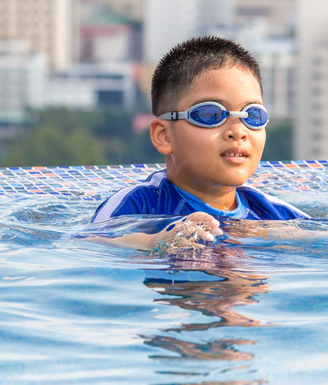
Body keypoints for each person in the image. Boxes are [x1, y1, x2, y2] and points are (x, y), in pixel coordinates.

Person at [89, 36, 309, 251]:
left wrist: (272, 235)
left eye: (252, 115)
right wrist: (154, 242)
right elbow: (88, 243)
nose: (238, 131)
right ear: (164, 136)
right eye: (211, 114)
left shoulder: (275, 216)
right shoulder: (137, 204)